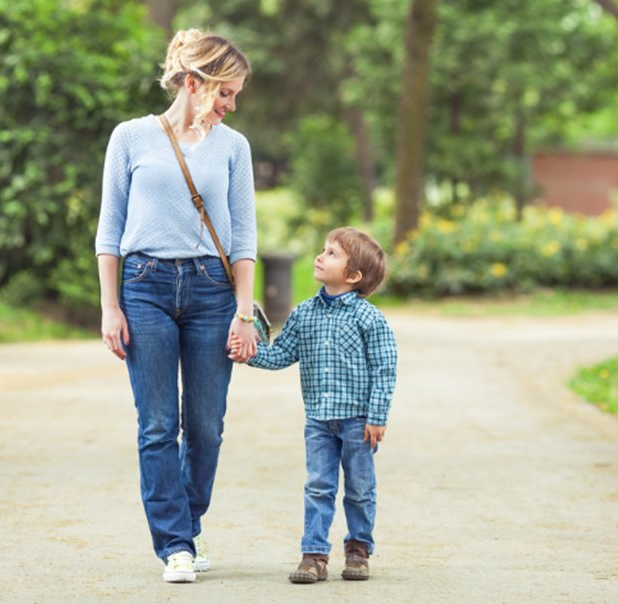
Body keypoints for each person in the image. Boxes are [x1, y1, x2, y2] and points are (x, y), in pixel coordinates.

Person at [95, 29, 257, 584]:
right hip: (144, 286)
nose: (231, 106)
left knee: (206, 426)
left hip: (213, 290)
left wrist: (243, 310)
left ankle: (188, 520)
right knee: (158, 423)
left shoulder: (234, 147)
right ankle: (176, 546)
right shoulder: (131, 137)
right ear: (194, 82)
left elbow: (244, 239)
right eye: (225, 93)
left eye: (235, 96)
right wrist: (109, 307)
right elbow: (109, 230)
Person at [229, 227, 397, 583]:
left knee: (359, 489)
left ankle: (359, 550)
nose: (320, 257)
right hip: (319, 422)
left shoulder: (369, 319)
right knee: (318, 486)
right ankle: (314, 555)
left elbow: (385, 369)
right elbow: (281, 355)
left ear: (353, 276)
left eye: (332, 254)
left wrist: (378, 416)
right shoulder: (303, 314)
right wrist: (249, 352)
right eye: (323, 249)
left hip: (358, 422)